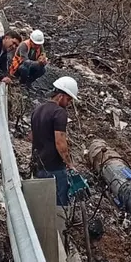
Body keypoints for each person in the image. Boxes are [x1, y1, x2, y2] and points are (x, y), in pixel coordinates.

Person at [31, 76, 79, 209]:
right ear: (60, 96)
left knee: (43, 205)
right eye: (68, 99)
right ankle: (60, 228)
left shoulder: (37, 110)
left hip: (38, 165)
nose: (68, 103)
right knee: (59, 205)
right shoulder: (60, 113)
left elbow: (32, 137)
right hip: (54, 167)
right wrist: (69, 164)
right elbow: (60, 143)